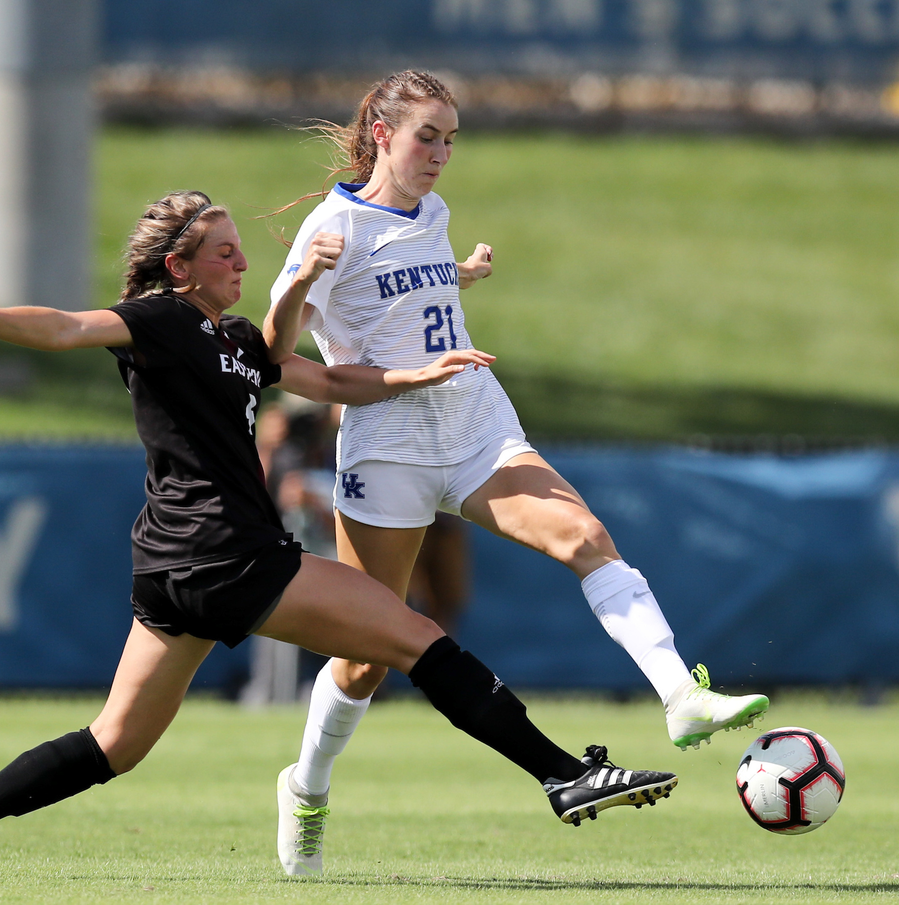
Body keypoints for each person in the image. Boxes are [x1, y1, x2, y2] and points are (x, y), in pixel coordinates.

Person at [0, 191, 678, 879]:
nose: (240, 265)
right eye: (222, 254)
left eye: (240, 251)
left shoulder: (239, 341)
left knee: (113, 743)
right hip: (231, 553)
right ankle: (565, 776)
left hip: (170, 566)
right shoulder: (163, 321)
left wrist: (413, 374)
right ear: (178, 267)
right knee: (420, 640)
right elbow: (69, 328)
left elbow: (326, 379)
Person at [264, 71, 769, 876]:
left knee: (586, 536)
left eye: (451, 138)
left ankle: (681, 695)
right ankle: (307, 787)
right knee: (364, 654)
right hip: (386, 448)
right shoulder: (332, 226)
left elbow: (404, 286)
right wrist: (295, 281)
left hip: (473, 424)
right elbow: (276, 354)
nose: (440, 153)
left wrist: (457, 273)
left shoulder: (432, 213)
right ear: (383, 134)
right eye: (427, 136)